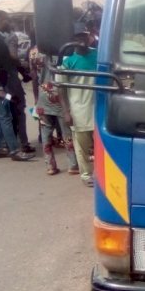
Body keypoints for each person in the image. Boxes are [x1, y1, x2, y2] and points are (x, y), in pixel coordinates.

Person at [0, 10, 34, 161]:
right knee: (5, 116)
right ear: (0, 20)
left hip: (0, 86)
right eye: (8, 20)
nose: (10, 23)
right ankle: (14, 151)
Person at [59, 26, 97, 187]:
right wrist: (66, 111)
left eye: (84, 37)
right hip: (79, 111)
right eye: (77, 38)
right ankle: (86, 175)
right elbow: (60, 88)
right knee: (82, 147)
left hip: (99, 110)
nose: (81, 41)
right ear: (72, 41)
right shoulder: (67, 62)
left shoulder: (99, 55)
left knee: (102, 146)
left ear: (89, 38)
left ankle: (102, 174)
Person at [35, 55, 79, 176]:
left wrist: (36, 97)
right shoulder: (66, 56)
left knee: (45, 134)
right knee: (67, 134)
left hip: (43, 97)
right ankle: (73, 165)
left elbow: (35, 77)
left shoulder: (40, 56)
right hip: (60, 98)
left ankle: (50, 166)